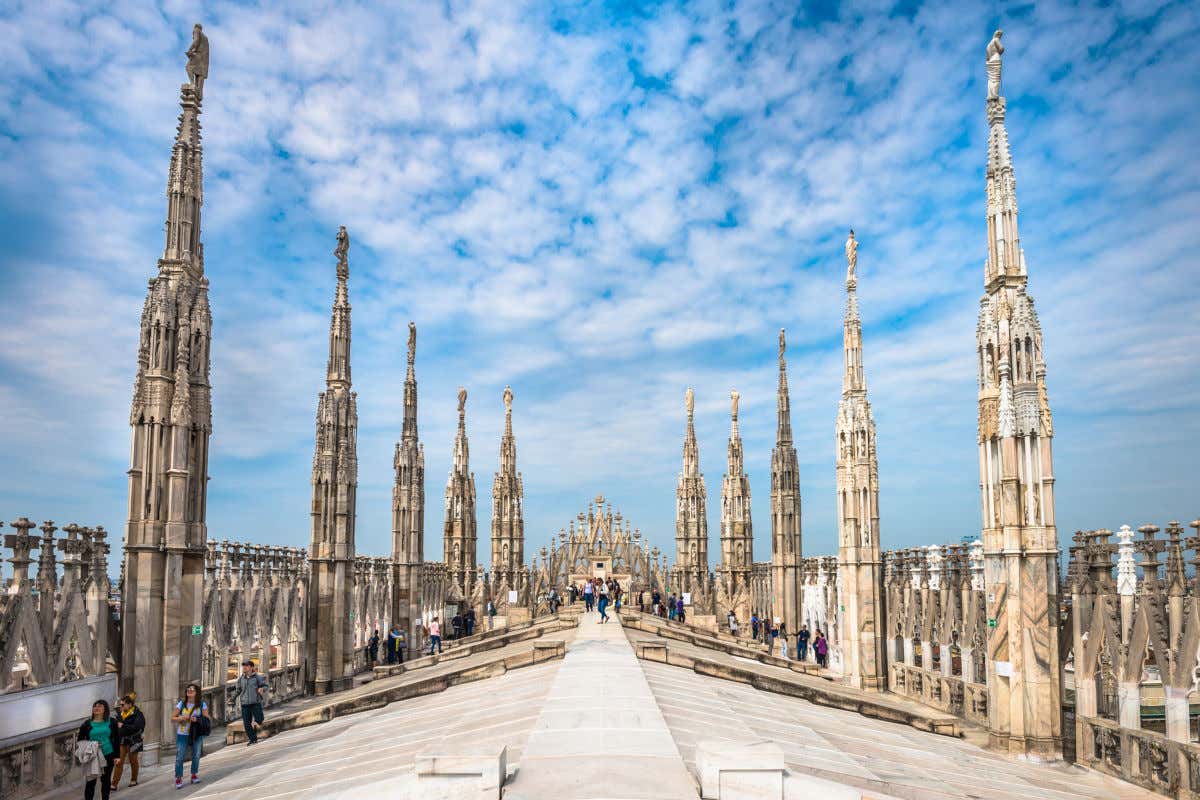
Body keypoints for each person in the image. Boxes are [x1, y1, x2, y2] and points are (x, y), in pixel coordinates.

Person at [170, 683, 210, 789]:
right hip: (182, 734)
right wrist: (182, 718)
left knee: (196, 755)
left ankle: (194, 775)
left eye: (192, 690)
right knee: (180, 757)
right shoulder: (181, 704)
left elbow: (206, 719)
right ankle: (178, 778)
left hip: (196, 734)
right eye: (188, 690)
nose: (189, 691)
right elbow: (172, 718)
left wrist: (196, 719)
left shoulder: (202, 704)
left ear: (196, 692)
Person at [77, 699, 119, 800]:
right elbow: (80, 741)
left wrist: (117, 756)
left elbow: (117, 739)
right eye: (95, 706)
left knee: (106, 781)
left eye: (100, 706)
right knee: (90, 782)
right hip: (93, 756)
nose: (97, 708)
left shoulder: (112, 722)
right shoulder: (87, 724)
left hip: (108, 754)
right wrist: (93, 744)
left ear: (105, 709)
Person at [111, 694, 144, 790]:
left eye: (123, 705)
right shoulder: (119, 715)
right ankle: (114, 784)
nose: (121, 707)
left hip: (134, 740)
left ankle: (134, 780)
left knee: (133, 760)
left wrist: (123, 725)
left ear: (129, 704)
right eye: (120, 705)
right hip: (122, 741)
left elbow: (138, 727)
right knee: (118, 762)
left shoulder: (138, 714)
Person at [233, 660, 267, 746]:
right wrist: (232, 698)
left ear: (251, 667)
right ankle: (253, 739)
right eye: (243, 666)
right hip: (245, 704)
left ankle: (258, 723)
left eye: (246, 666)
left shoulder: (257, 677)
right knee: (246, 723)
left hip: (255, 702)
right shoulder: (241, 679)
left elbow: (265, 685)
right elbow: (238, 690)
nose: (244, 667)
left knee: (259, 720)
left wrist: (262, 689)